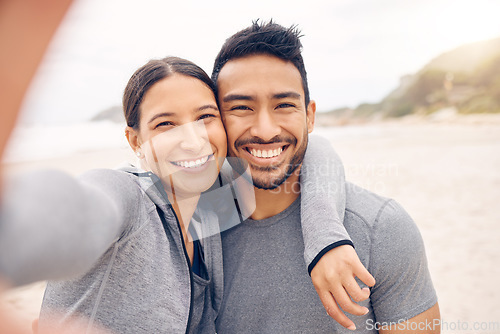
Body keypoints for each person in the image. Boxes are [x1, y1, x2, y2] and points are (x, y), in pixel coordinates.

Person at [0, 55, 355, 333]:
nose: (193, 139)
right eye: (165, 124)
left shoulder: (215, 208)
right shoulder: (129, 199)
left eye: (205, 116)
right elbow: (80, 210)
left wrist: (325, 238)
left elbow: (315, 151)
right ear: (135, 141)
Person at [212, 20, 441, 333]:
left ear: (310, 116)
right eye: (241, 107)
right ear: (213, 120)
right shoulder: (194, 225)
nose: (266, 130)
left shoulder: (381, 228)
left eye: (284, 105)